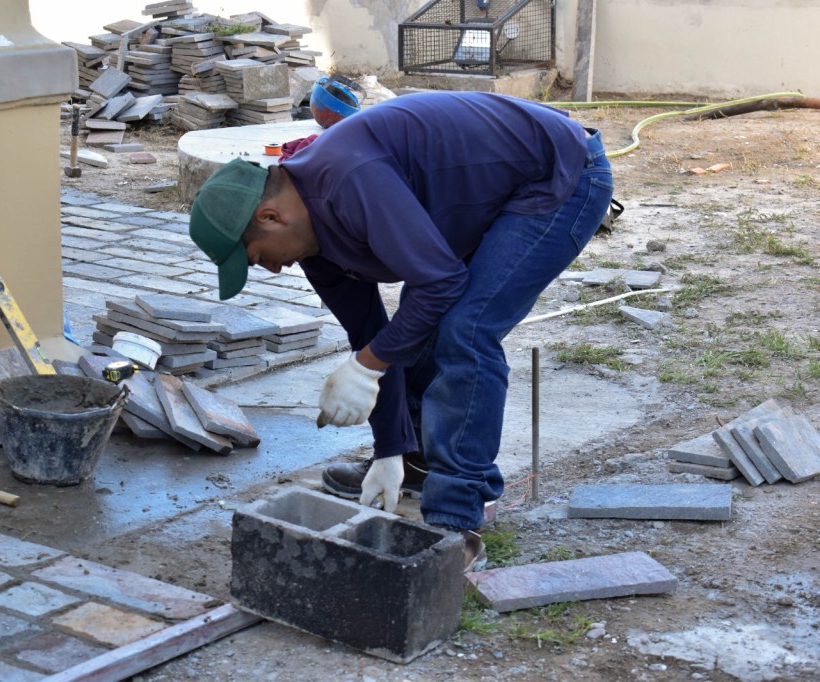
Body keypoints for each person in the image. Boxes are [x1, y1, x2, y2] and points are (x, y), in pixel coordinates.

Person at [188, 91, 613, 571]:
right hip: (481, 193)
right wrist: (390, 445)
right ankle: (416, 461)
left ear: (271, 217)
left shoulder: (348, 178)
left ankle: (456, 518)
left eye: (257, 257)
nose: (271, 270)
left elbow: (438, 285)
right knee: (412, 330)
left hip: (557, 175)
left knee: (465, 329)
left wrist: (368, 365)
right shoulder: (312, 245)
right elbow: (371, 335)